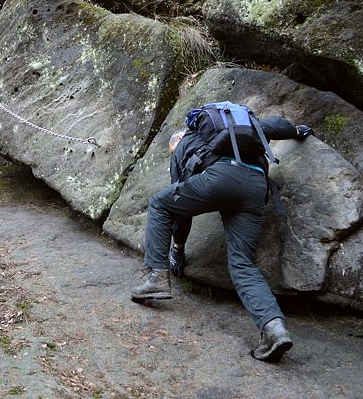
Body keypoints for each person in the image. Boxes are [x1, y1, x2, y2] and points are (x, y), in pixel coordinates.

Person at [130, 104, 313, 363]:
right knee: (243, 264)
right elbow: (273, 126)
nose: (174, 151)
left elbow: (180, 213)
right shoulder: (239, 128)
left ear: (179, 139)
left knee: (160, 203)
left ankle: (156, 279)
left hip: (220, 179)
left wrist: (177, 250)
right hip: (256, 187)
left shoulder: (185, 143)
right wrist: (297, 131)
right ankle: (274, 328)